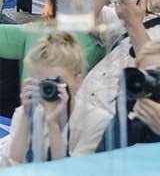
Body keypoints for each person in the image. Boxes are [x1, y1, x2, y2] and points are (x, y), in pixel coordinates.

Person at [4, 32, 112, 165]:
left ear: (78, 80)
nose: (50, 88)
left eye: (57, 81)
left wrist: (53, 125)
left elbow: (69, 172)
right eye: (42, 83)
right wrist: (26, 117)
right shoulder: (25, 113)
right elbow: (12, 164)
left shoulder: (97, 121)